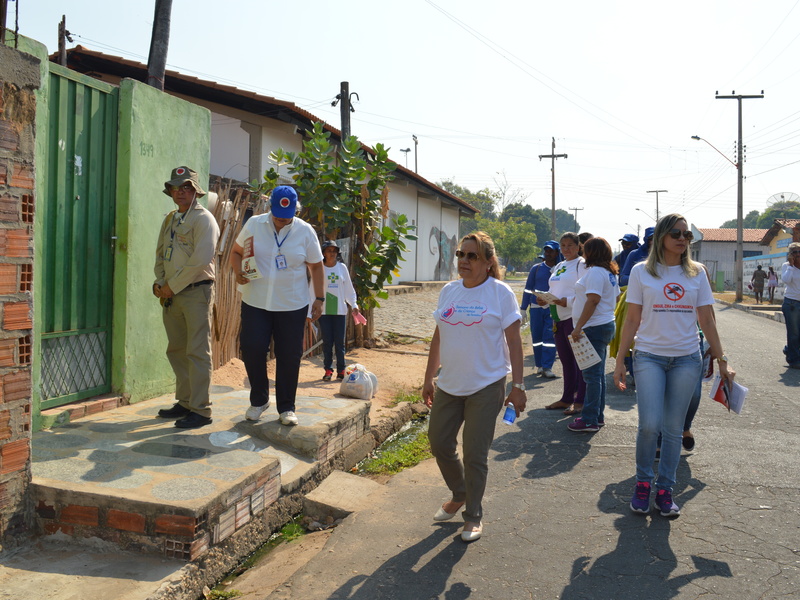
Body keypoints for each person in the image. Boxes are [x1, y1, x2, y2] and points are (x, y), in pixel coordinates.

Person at [613, 213, 735, 518]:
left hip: (686, 360)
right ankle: (643, 484)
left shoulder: (697, 273)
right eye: (677, 234)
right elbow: (632, 319)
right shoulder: (642, 272)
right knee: (649, 425)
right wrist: (619, 359)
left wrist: (722, 360)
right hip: (649, 357)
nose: (682, 239)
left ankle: (665, 489)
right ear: (663, 237)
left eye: (687, 235)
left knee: (672, 429)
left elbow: (707, 319)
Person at [422, 231, 526, 543]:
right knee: (439, 441)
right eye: (460, 255)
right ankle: (460, 492)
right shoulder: (449, 292)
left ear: (488, 261)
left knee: (475, 454)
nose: (464, 261)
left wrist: (518, 386)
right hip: (450, 384)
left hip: (486, 383)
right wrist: (428, 378)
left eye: (472, 256)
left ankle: (473, 515)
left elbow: (514, 342)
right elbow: (439, 336)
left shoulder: (500, 293)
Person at [231, 186, 325, 426]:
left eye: (287, 215)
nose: (282, 220)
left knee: (289, 356)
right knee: (252, 349)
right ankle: (259, 400)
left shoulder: (305, 232)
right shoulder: (254, 224)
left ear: (296, 210)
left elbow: (316, 266)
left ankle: (286, 407)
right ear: (269, 207)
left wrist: (319, 299)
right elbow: (236, 252)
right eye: (277, 214)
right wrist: (238, 271)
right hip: (256, 301)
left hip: (291, 304)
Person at [154, 167, 220, 429]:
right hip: (171, 294)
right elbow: (160, 254)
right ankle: (185, 401)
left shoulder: (204, 220)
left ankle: (201, 410)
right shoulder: (171, 218)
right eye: (176, 187)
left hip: (196, 292)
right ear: (170, 191)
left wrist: (172, 286)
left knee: (197, 352)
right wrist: (161, 283)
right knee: (177, 350)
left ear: (196, 192)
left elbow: (200, 260)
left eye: (187, 188)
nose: (180, 192)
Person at [568, 238, 620, 432]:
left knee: (591, 376)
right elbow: (615, 297)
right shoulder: (608, 272)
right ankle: (597, 416)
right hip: (602, 324)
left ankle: (589, 419)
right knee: (596, 376)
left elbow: (593, 300)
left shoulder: (596, 272)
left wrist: (578, 327)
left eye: (585, 250)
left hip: (593, 327)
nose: (583, 254)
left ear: (591, 253)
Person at [545, 232, 588, 414]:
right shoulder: (560, 265)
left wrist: (567, 301)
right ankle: (566, 398)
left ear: (578, 247)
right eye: (563, 245)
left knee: (580, 362)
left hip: (574, 317)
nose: (566, 249)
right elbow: (553, 288)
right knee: (565, 361)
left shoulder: (582, 265)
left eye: (570, 245)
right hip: (558, 317)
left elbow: (586, 292)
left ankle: (580, 401)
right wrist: (544, 298)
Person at [313, 240, 361, 381]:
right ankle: (328, 370)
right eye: (329, 250)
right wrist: (312, 309)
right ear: (323, 253)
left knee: (340, 342)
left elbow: (348, 289)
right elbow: (312, 289)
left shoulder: (342, 268)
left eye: (334, 251)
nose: (332, 253)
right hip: (324, 311)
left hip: (339, 311)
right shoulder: (319, 268)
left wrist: (354, 304)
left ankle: (341, 370)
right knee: (327, 342)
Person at [520, 240, 560, 378]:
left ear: (556, 253)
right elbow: (528, 289)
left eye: (551, 251)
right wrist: (523, 308)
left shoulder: (560, 269)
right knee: (537, 338)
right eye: (546, 251)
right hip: (536, 309)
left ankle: (547, 367)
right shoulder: (536, 268)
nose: (548, 253)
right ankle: (539, 365)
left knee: (549, 338)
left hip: (552, 308)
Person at [781, 243, 800, 369]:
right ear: (790, 254)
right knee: (794, 333)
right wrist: (792, 266)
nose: (797, 254)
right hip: (791, 303)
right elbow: (786, 280)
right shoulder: (787, 266)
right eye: (794, 252)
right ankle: (794, 360)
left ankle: (789, 349)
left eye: (799, 251)